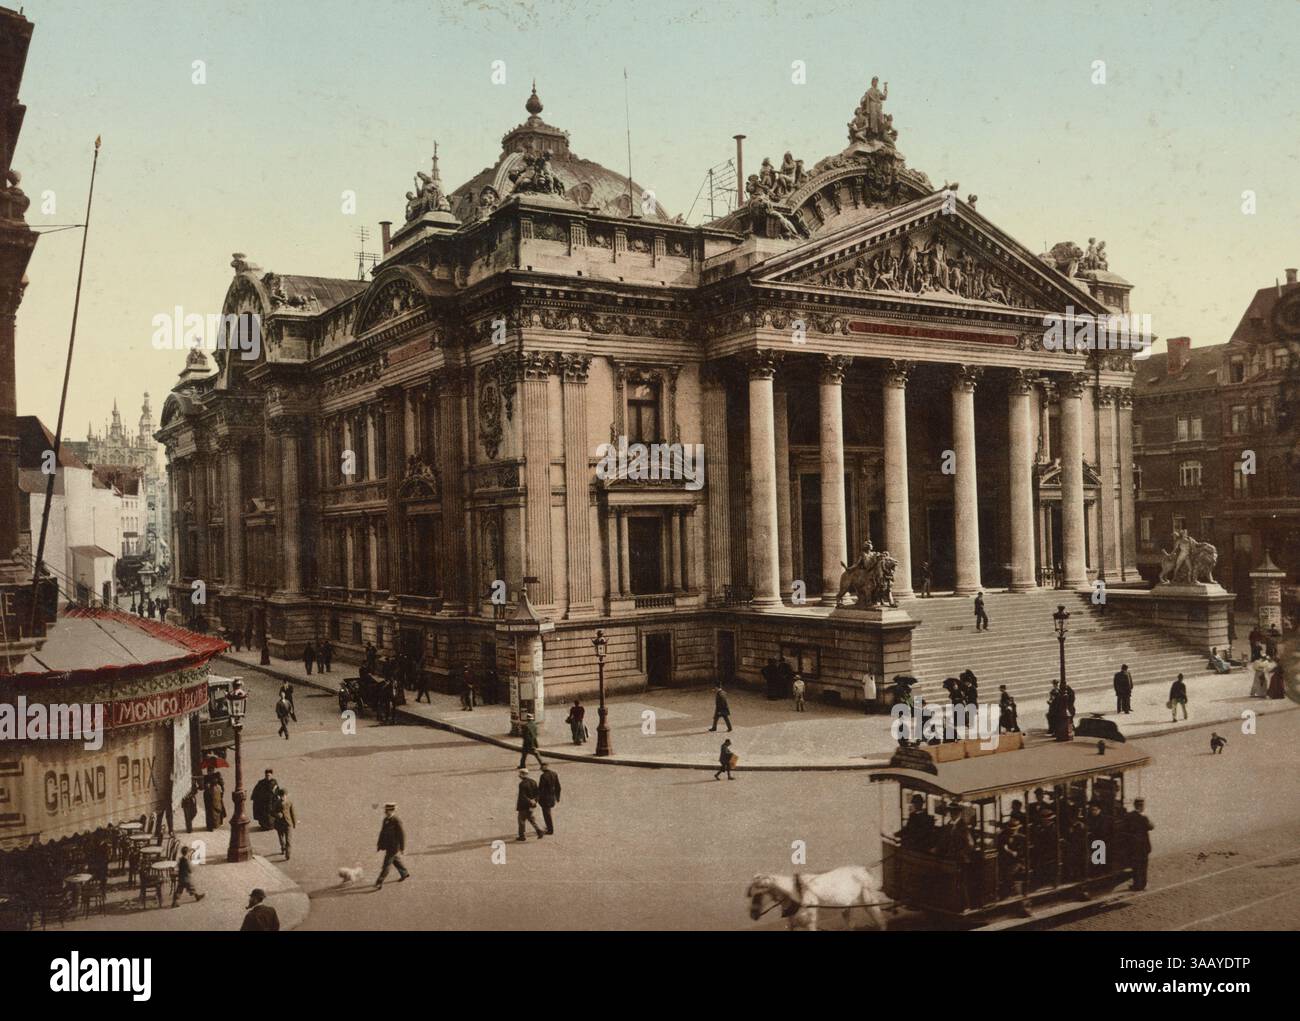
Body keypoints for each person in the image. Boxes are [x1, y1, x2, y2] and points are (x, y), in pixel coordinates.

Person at [374, 803, 410, 886]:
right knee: (395, 860)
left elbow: (402, 835)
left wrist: (402, 848)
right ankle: (404, 873)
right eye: (385, 810)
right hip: (387, 845)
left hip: (394, 847)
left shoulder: (397, 820)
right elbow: (382, 832)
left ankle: (380, 881)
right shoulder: (385, 819)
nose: (385, 812)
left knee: (386, 864)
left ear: (392, 811)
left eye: (387, 811)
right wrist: (379, 844)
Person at [1122, 798, 1154, 890]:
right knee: (1143, 866)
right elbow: (1151, 826)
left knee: (1135, 866)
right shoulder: (1143, 818)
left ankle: (1136, 884)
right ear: (1141, 806)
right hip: (1143, 845)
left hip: (1133, 845)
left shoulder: (1129, 816)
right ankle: (1142, 884)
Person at [516, 769, 546, 841]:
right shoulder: (533, 782)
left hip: (523, 806)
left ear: (523, 774)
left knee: (521, 820)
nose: (519, 775)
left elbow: (522, 796)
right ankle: (539, 831)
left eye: (520, 774)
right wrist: (534, 801)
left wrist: (529, 801)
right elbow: (538, 793)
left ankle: (522, 836)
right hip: (532, 806)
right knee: (531, 819)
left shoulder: (522, 784)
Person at [272, 786, 296, 860]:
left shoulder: (289, 803)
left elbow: (292, 813)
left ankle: (287, 854)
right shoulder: (276, 803)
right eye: (282, 796)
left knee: (288, 840)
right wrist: (277, 814)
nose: (283, 797)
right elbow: (272, 812)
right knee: (281, 838)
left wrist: (294, 823)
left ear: (286, 795)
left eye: (284, 796)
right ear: (279, 796)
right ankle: (282, 847)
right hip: (279, 824)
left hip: (288, 824)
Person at [537, 763, 562, 835]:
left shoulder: (543, 776)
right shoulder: (554, 774)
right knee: (548, 813)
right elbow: (558, 786)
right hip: (552, 797)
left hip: (545, 798)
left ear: (543, 768)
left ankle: (550, 830)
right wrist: (557, 797)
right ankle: (549, 827)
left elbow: (541, 788)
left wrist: (537, 798)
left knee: (546, 814)